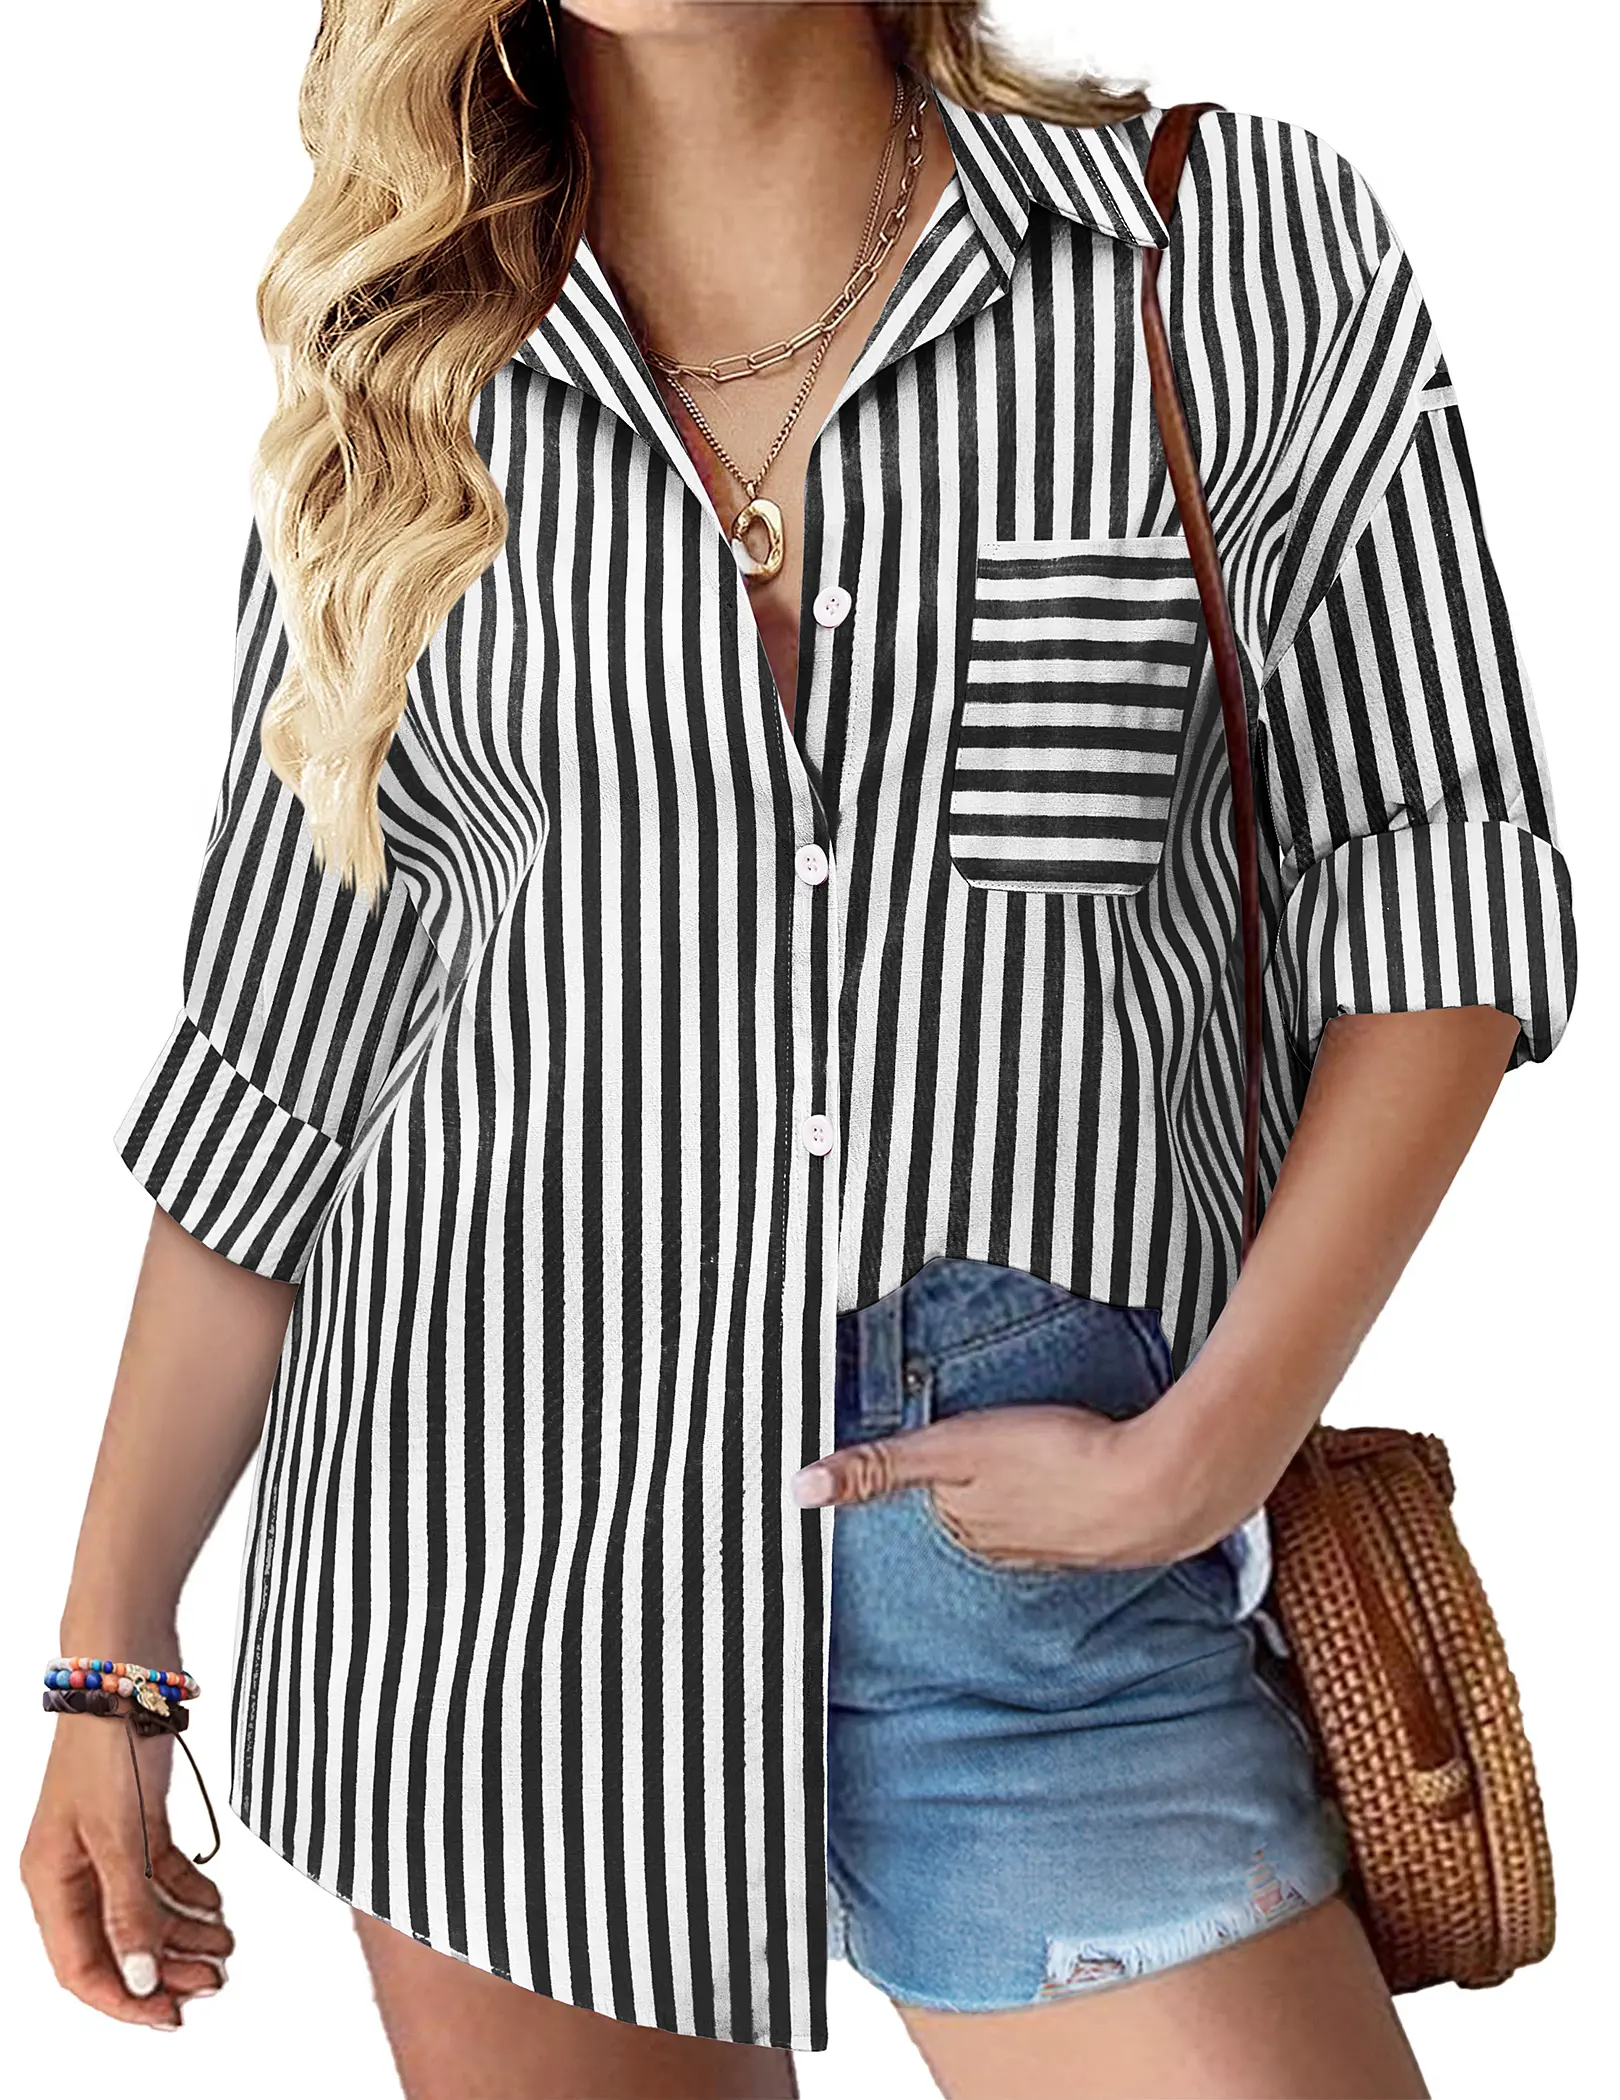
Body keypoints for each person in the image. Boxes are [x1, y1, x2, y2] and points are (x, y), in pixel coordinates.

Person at [21, 4, 1576, 2097]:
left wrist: (1205, 1449)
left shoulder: (1218, 252)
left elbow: (1436, 887)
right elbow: (287, 1054)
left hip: (1040, 1571)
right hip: (497, 1574)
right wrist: (108, 1661)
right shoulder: (409, 360)